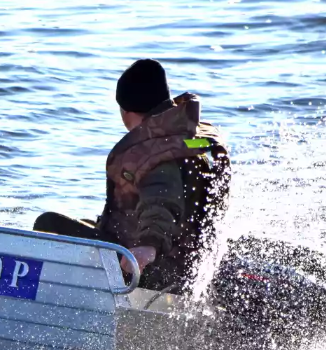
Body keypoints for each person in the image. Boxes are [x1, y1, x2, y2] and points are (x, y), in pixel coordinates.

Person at [33, 59, 230, 291]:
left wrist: (149, 245)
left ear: (126, 111)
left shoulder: (156, 155)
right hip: (189, 266)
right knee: (86, 226)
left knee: (49, 224)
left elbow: (162, 200)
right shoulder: (189, 137)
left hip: (149, 269)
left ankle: (50, 296)